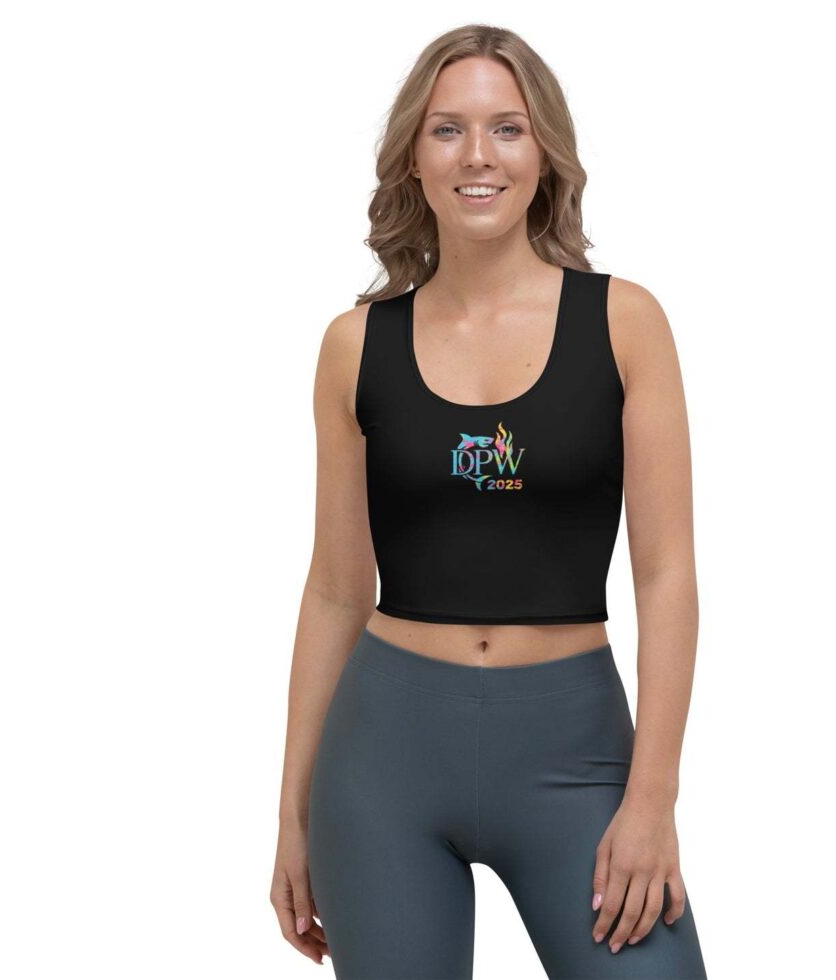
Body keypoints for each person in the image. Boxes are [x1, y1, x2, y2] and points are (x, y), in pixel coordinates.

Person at [270, 24, 708, 980]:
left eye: (507, 128)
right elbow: (336, 591)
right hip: (383, 762)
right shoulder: (354, 346)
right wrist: (292, 814)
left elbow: (667, 574)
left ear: (544, 154)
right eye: (448, 130)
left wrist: (653, 799)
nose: (478, 155)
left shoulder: (625, 324)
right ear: (413, 159)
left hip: (575, 755)